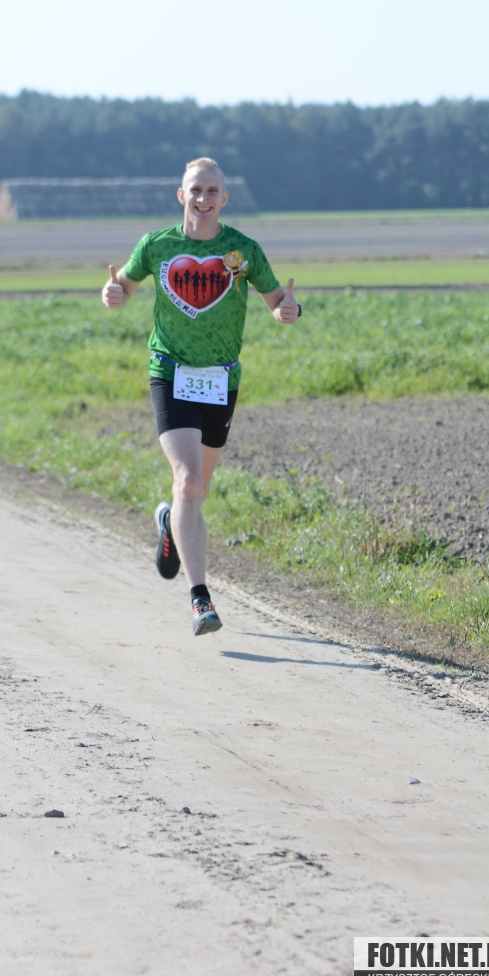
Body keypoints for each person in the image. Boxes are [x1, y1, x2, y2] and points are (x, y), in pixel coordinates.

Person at [102, 157, 300, 635]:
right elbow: (121, 285)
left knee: (197, 490)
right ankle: (200, 600)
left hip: (220, 380)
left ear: (224, 198)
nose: (204, 198)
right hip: (170, 372)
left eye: (212, 191)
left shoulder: (243, 251)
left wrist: (288, 310)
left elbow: (277, 301)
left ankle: (169, 523)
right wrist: (112, 293)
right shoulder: (157, 245)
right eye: (196, 189)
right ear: (181, 195)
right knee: (188, 481)